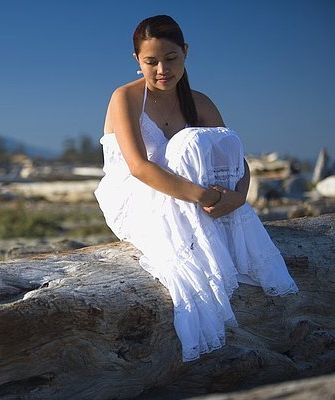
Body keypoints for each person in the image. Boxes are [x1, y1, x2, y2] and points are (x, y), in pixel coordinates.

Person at [94, 15, 299, 362]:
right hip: (134, 194)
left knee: (204, 142)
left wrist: (238, 196)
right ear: (137, 61)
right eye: (151, 61)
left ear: (186, 53)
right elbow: (140, 168)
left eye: (171, 59)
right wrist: (206, 197)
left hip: (194, 197)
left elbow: (235, 159)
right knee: (186, 144)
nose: (162, 69)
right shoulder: (125, 98)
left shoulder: (200, 102)